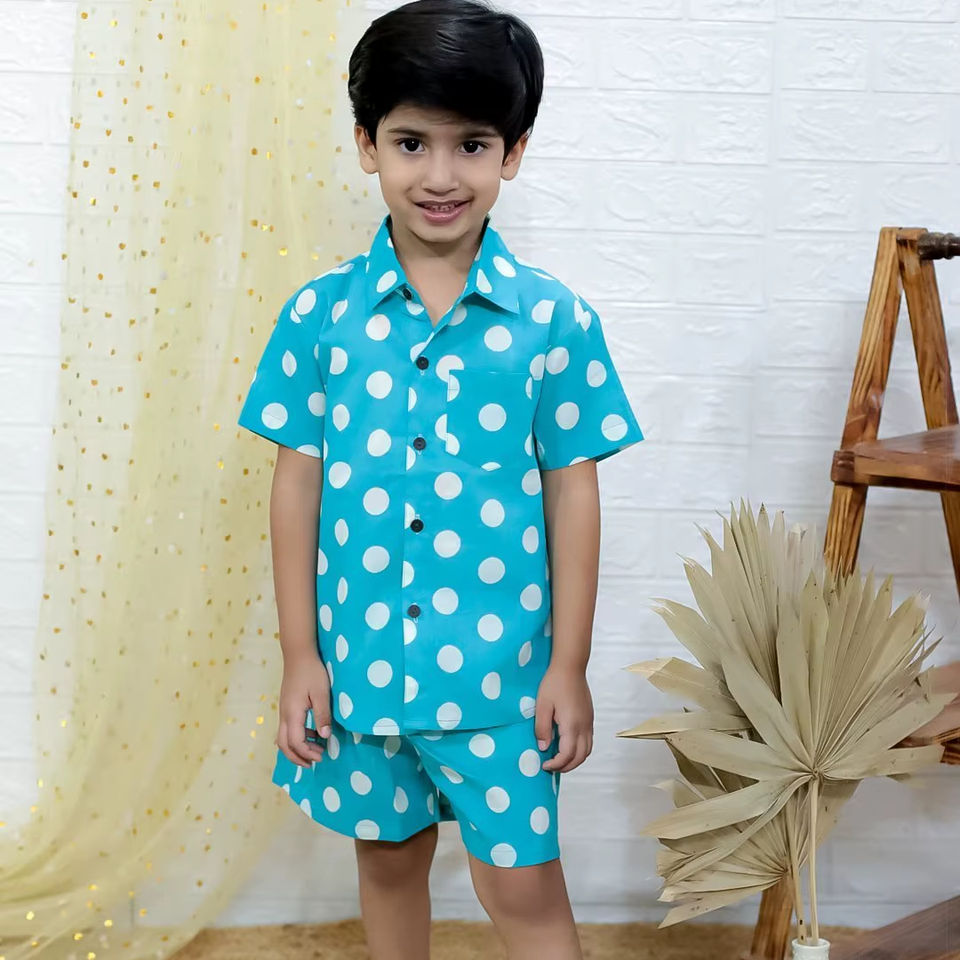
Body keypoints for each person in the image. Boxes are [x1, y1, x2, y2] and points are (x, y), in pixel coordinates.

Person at [236, 1, 645, 956]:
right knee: (387, 864)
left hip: (502, 677)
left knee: (523, 887)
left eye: (473, 145)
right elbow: (295, 490)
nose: (440, 175)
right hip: (362, 670)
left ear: (514, 152)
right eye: (411, 142)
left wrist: (569, 664)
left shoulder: (554, 322)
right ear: (366, 144)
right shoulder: (318, 316)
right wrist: (301, 655)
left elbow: (573, 493)